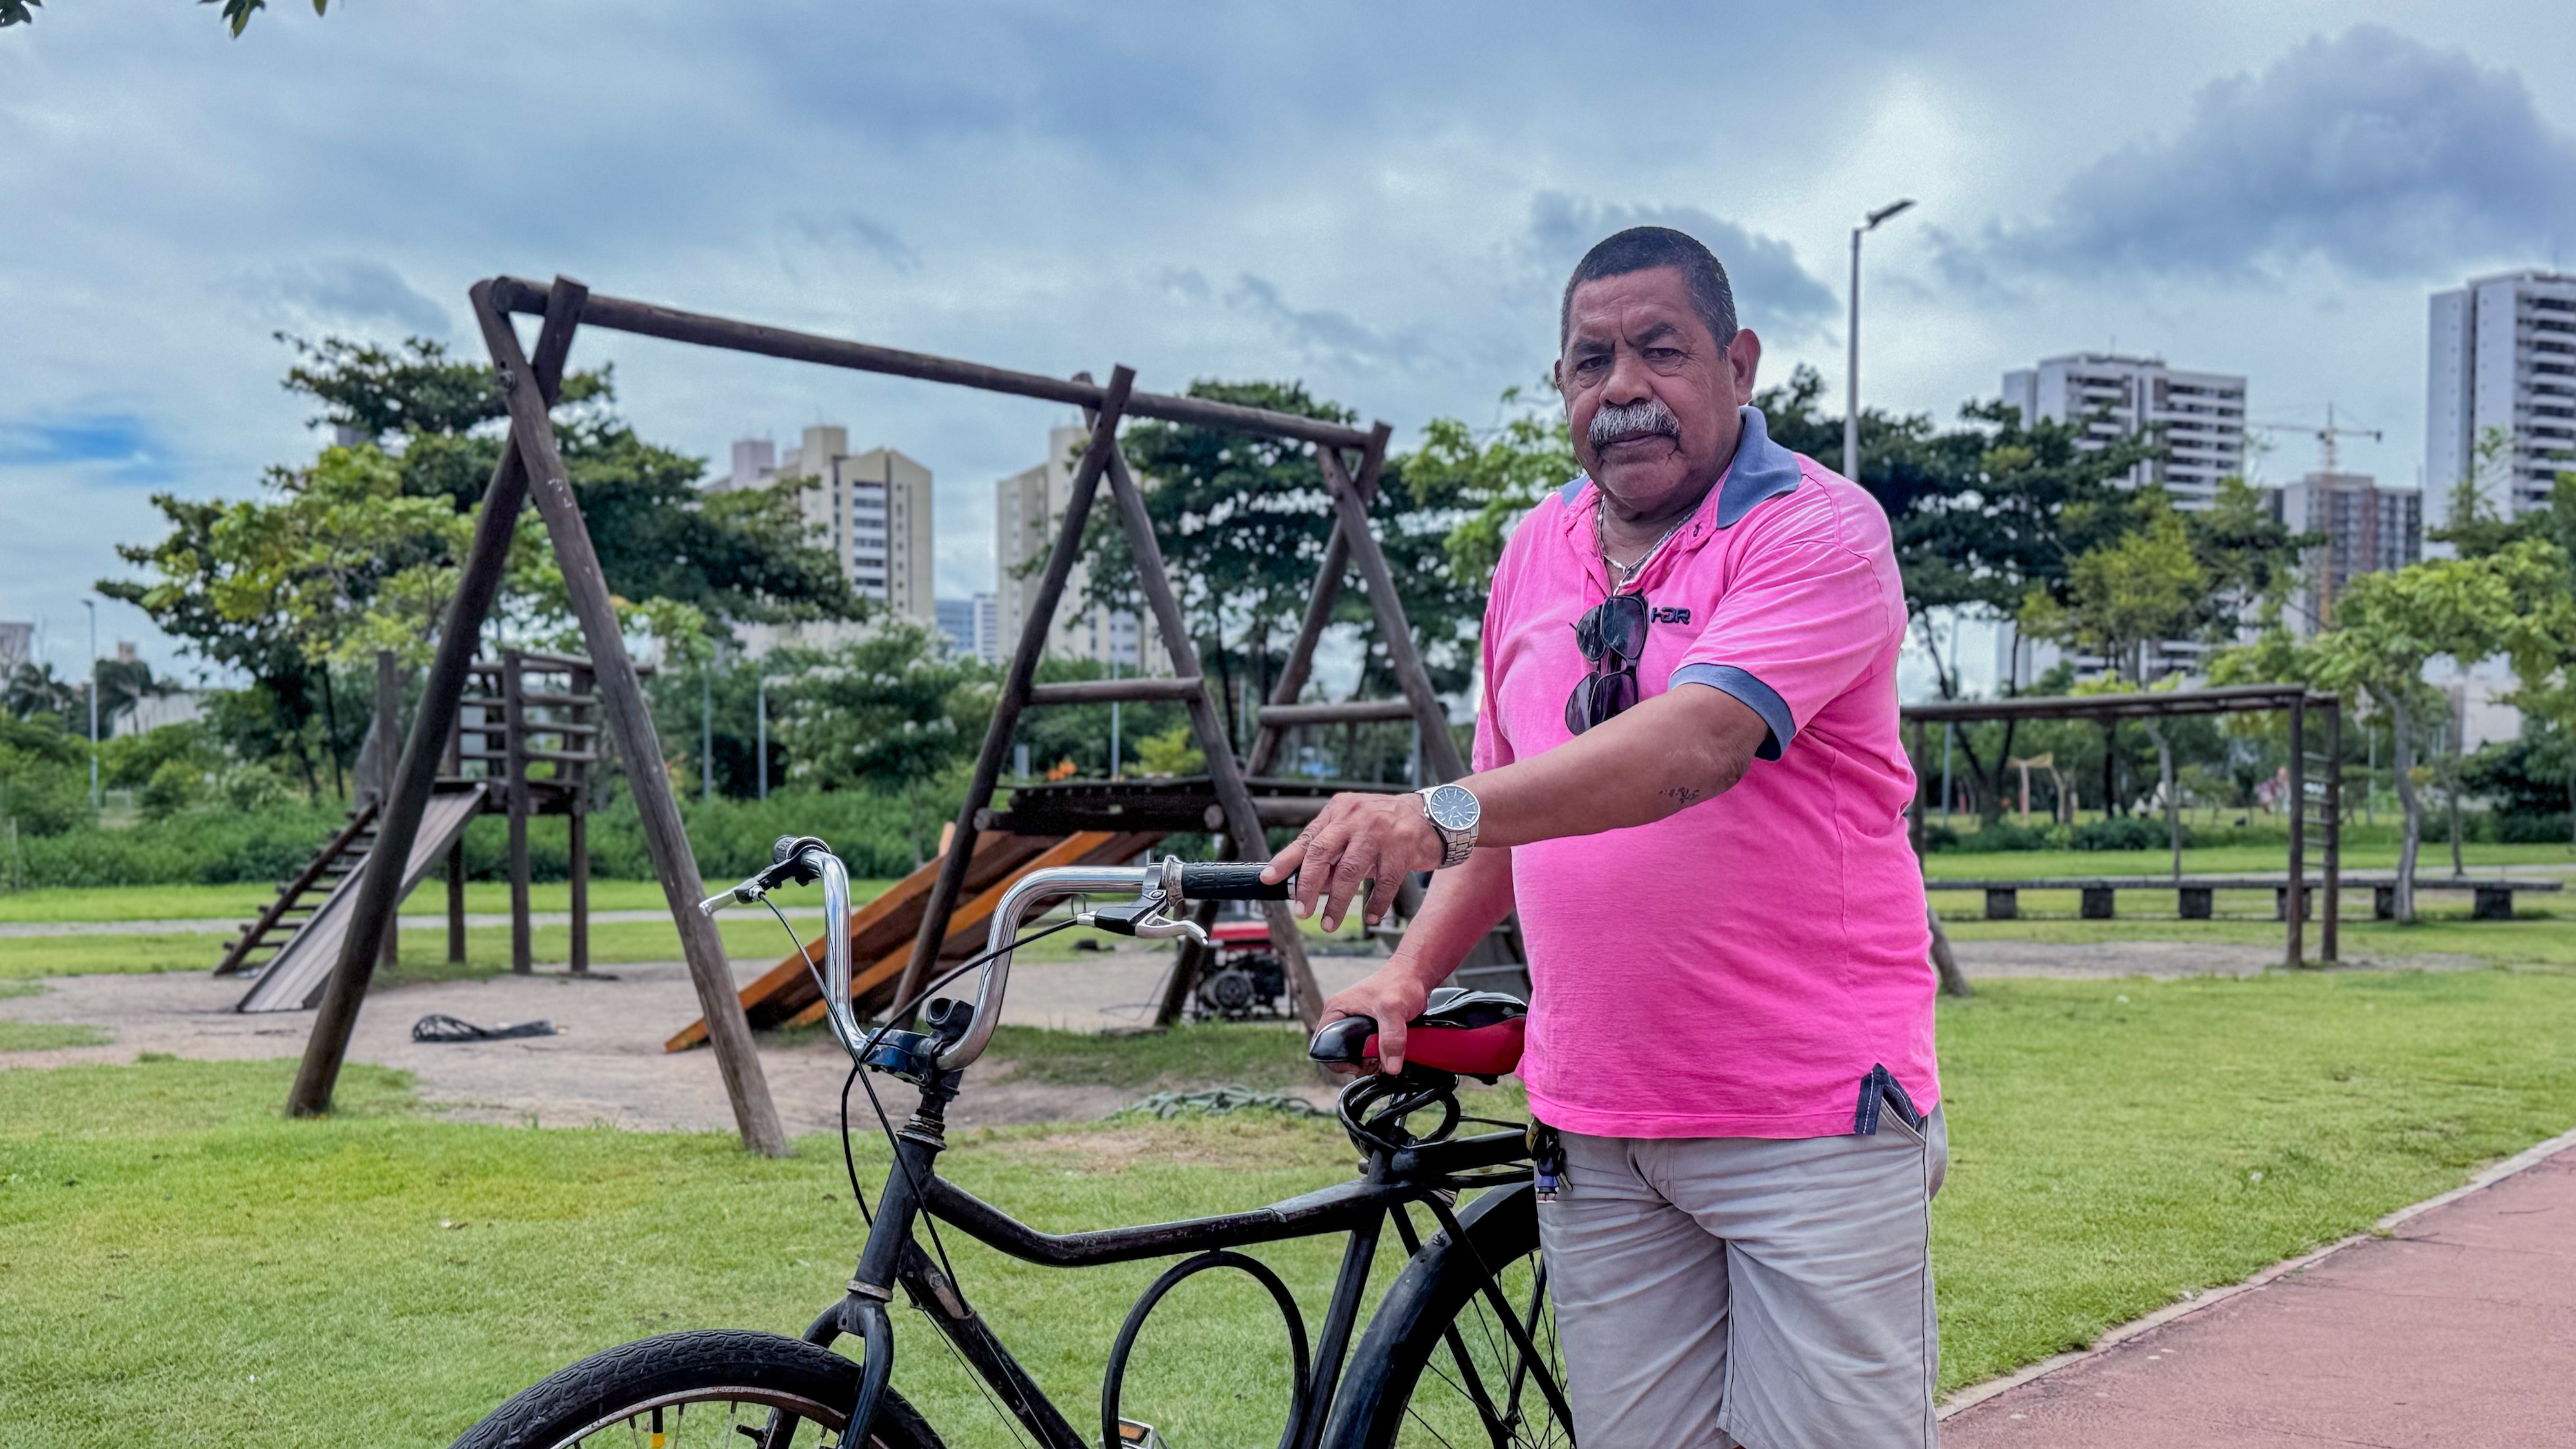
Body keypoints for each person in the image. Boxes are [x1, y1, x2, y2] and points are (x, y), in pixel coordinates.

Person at [1263, 226, 1942, 1448]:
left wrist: (1429, 814)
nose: (1622, 386)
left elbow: (1697, 743)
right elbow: (1513, 799)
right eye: (1590, 361)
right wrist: (1411, 970)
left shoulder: (1815, 527)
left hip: (1805, 1118)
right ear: (1561, 385)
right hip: (1596, 1117)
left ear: (1737, 362)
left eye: (1659, 350)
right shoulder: (1535, 548)